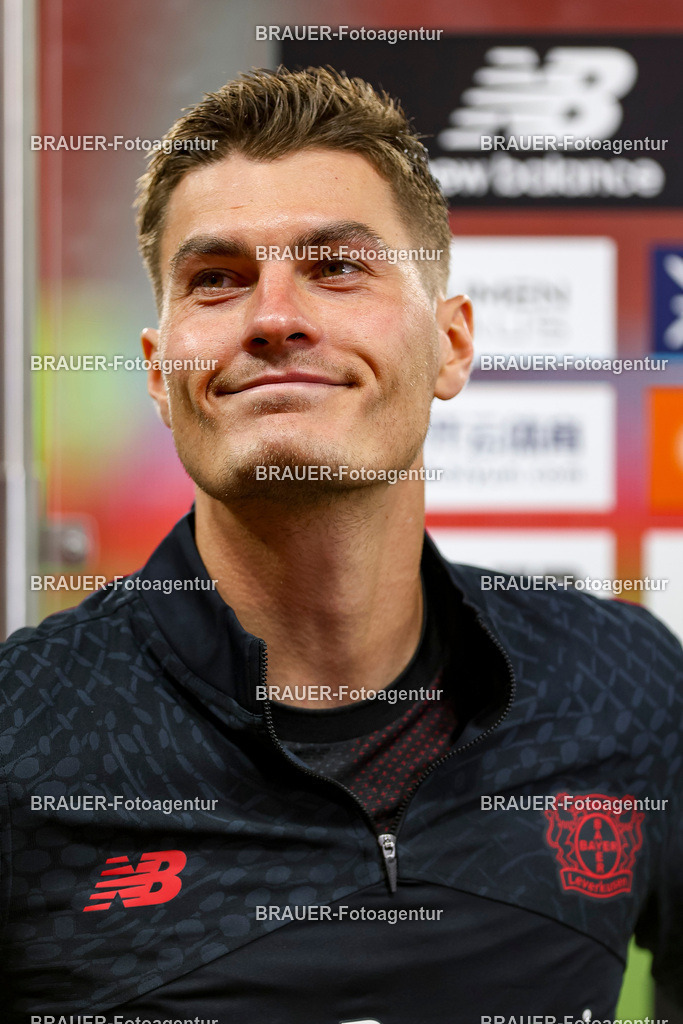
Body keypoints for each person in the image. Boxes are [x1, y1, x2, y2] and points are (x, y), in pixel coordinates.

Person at [1, 66, 681, 1023]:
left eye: (337, 266)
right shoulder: (19, 737)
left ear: (450, 345)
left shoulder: (621, 686)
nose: (275, 317)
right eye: (217, 280)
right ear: (160, 374)